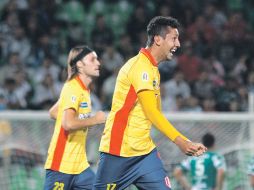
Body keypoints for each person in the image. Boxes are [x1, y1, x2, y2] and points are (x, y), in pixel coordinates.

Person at [93, 16, 207, 190]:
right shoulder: (140, 67)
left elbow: (156, 113)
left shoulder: (153, 69)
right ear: (158, 39)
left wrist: (185, 140)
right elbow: (152, 113)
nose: (178, 44)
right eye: (174, 38)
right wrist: (181, 142)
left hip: (144, 154)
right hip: (118, 152)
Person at [44, 45, 106, 190]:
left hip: (80, 166)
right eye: (92, 59)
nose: (98, 63)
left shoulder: (84, 90)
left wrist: (83, 122)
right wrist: (94, 120)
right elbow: (68, 124)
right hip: (61, 166)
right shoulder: (73, 88)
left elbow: (53, 112)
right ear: (79, 64)